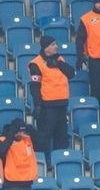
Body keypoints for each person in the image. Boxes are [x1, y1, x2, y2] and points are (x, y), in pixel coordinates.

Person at [28, 35, 74, 163]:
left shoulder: (59, 59)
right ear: (46, 48)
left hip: (61, 105)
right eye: (53, 44)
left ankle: (61, 163)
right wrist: (37, 105)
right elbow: (35, 86)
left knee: (62, 137)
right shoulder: (36, 63)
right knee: (44, 137)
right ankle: (45, 163)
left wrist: (59, 64)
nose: (56, 46)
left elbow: (71, 73)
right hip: (47, 107)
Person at [0, 118, 38, 190]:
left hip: (27, 183)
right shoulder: (1, 140)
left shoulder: (27, 140)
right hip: (11, 184)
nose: (21, 134)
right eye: (18, 131)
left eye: (23, 131)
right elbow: (1, 150)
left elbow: (42, 143)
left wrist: (33, 131)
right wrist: (11, 134)